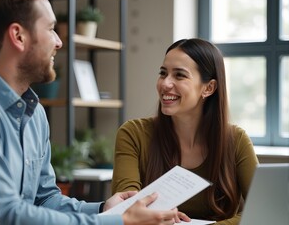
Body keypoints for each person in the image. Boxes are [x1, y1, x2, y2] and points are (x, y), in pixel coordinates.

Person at [0, 0, 188, 224]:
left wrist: (104, 210)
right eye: (51, 29)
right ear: (18, 36)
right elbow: (4, 216)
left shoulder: (33, 112)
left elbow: (44, 199)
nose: (58, 41)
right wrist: (116, 222)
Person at [111, 38, 259, 225]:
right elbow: (127, 207)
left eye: (179, 75)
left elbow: (262, 211)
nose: (165, 84)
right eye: (163, 73)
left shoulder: (236, 140)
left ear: (209, 88)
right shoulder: (133, 134)